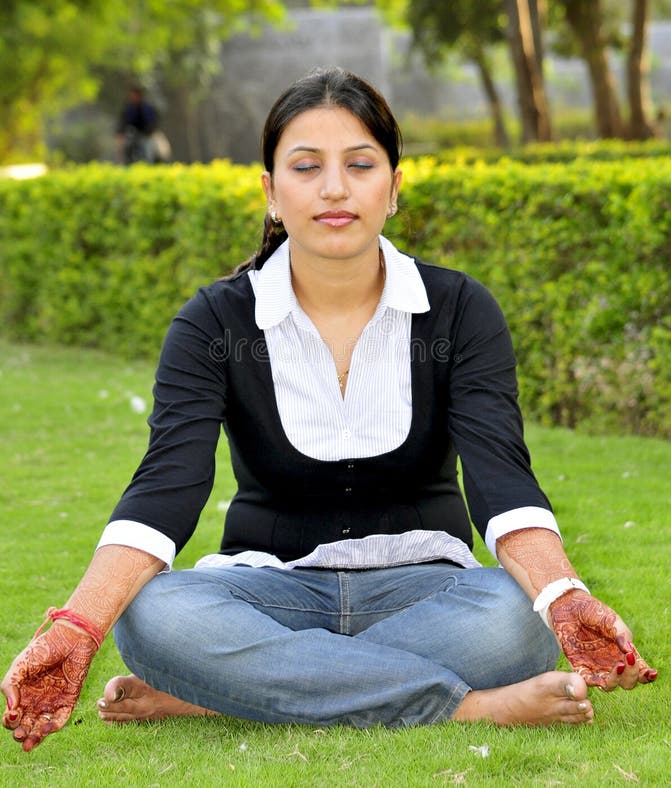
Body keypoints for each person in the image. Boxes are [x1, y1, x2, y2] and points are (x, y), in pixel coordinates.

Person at [2, 67, 656, 753]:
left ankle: (232, 697)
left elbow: (499, 481)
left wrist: (563, 596)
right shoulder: (214, 321)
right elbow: (166, 487)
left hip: (429, 592)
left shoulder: (460, 310)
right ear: (271, 193)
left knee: (517, 617)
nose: (335, 189)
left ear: (394, 187)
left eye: (360, 164)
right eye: (306, 167)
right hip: (268, 592)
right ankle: (469, 709)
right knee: (152, 618)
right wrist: (76, 627)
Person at [116, 86, 170, 165]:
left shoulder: (148, 108)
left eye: (135, 96)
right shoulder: (128, 109)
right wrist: (120, 133)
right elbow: (123, 123)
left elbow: (154, 123)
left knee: (156, 149)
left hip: (147, 135)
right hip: (132, 135)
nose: (133, 98)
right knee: (126, 147)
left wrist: (149, 131)